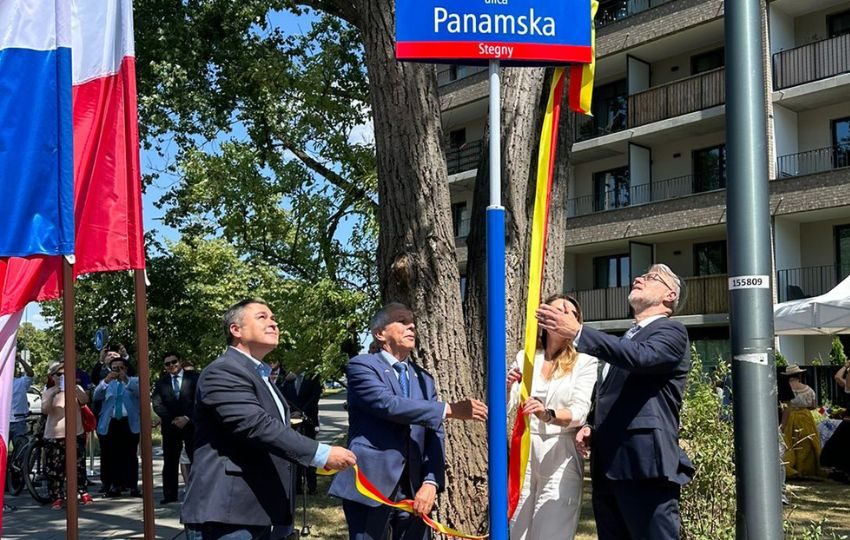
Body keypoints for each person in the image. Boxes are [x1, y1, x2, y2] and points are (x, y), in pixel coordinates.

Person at [537, 263, 694, 540]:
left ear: (670, 296)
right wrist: (592, 427)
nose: (638, 278)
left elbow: (641, 358)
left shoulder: (672, 332)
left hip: (644, 466)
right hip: (608, 468)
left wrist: (579, 333)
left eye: (650, 277)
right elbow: (618, 395)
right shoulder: (627, 339)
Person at [181, 299, 356, 540]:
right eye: (262, 317)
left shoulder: (261, 375)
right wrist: (322, 454)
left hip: (261, 510)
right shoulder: (223, 371)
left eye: (274, 318)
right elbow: (257, 426)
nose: (273, 323)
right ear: (236, 330)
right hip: (228, 516)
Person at [329, 302, 488, 540]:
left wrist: (431, 482)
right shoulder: (362, 366)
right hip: (371, 485)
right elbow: (387, 404)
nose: (411, 325)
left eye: (412, 322)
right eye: (402, 321)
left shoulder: (424, 378)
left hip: (414, 491)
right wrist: (449, 409)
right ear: (380, 333)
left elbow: (435, 433)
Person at [507, 295, 598, 540]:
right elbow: (510, 406)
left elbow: (579, 412)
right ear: (545, 319)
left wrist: (548, 414)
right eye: (560, 310)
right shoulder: (525, 358)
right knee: (516, 532)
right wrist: (506, 388)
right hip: (525, 452)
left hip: (562, 452)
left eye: (572, 313)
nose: (566, 314)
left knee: (551, 533)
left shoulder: (585, 361)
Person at [42, 360, 93, 509]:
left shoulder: (76, 387)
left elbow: (85, 401)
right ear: (53, 377)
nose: (62, 377)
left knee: (78, 464)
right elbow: (45, 410)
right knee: (55, 468)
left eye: (66, 374)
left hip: (76, 432)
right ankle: (57, 496)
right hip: (55, 433)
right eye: (59, 374)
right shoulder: (49, 391)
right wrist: (54, 394)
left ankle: (82, 492)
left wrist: (75, 390)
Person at [151, 352, 199, 504]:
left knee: (197, 458)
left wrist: (187, 418)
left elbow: (200, 400)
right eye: (168, 364)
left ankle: (201, 492)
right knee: (170, 461)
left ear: (180, 361)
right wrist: (173, 419)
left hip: (191, 425)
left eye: (174, 362)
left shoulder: (194, 378)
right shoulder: (161, 382)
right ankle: (170, 495)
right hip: (171, 426)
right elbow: (157, 404)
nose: (172, 365)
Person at [93, 353, 142, 497]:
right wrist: (105, 382)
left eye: (121, 368)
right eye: (114, 368)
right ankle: (114, 486)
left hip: (129, 422)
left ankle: (132, 485)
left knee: (130, 455)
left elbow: (141, 393)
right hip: (111, 422)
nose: (118, 371)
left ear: (126, 368)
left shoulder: (134, 381)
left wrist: (126, 379)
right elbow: (96, 396)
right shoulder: (107, 382)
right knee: (111, 455)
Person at [281, 370, 323, 495]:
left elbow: (314, 397)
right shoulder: (288, 380)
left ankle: (312, 486)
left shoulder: (313, 377)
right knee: (294, 452)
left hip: (309, 422)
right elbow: (284, 398)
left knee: (310, 451)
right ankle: (297, 486)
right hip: (293, 422)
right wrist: (292, 413)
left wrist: (302, 412)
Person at [781, 364, 821, 478]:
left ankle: (790, 467)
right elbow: (813, 406)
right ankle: (804, 468)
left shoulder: (786, 389)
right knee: (806, 441)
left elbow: (784, 405)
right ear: (799, 375)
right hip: (805, 416)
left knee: (789, 441)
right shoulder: (808, 389)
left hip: (790, 415)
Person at [10, 353, 34, 442]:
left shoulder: (21, 382)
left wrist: (20, 360)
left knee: (21, 450)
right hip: (4, 422)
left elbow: (30, 373)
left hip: (18, 421)